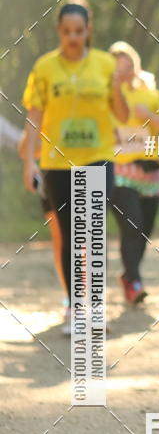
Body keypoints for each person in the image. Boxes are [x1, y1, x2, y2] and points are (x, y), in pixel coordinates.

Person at [21, 1, 129, 334]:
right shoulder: (44, 68)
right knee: (70, 236)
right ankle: (75, 309)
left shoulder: (105, 64)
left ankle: (96, 308)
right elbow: (35, 116)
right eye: (67, 31)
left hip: (98, 156)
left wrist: (116, 88)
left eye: (79, 31)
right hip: (57, 162)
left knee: (93, 233)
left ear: (88, 31)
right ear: (59, 31)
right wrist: (29, 161)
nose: (73, 38)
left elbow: (123, 115)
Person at [108, 41, 159, 303]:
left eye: (128, 67)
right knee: (132, 225)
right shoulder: (105, 96)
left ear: (136, 68)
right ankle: (135, 283)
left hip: (150, 174)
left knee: (144, 230)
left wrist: (149, 115)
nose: (124, 73)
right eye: (118, 69)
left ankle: (129, 276)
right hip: (120, 172)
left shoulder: (151, 94)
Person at [18, 128, 67, 304]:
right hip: (53, 176)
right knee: (61, 239)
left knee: (86, 238)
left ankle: (88, 297)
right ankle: (70, 295)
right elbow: (24, 149)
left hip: (88, 170)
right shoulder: (45, 115)